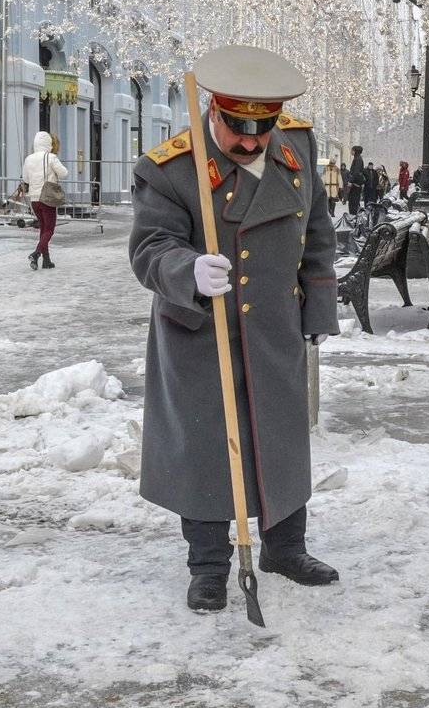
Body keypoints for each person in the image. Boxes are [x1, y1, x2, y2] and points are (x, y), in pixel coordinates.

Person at [129, 44, 341, 613]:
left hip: (275, 324)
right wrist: (187, 270)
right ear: (214, 112)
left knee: (279, 438)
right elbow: (150, 248)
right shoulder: (170, 168)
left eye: (261, 131)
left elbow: (317, 232)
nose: (250, 143)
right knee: (206, 445)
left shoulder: (296, 144)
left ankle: (285, 548)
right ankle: (208, 565)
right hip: (202, 328)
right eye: (238, 131)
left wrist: (319, 308)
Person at [21, 130, 69, 269]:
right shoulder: (51, 157)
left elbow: (26, 179)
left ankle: (46, 260)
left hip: (34, 199)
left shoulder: (28, 159)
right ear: (49, 143)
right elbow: (64, 173)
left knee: (43, 229)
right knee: (49, 229)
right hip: (47, 197)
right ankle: (36, 254)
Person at [347, 145, 365, 215]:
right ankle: (353, 214)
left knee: (353, 201)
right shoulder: (357, 158)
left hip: (355, 183)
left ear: (355, 151)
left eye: (352, 150)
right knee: (353, 200)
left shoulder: (358, 159)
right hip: (356, 183)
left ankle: (353, 215)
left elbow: (356, 172)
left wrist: (351, 181)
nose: (351, 151)